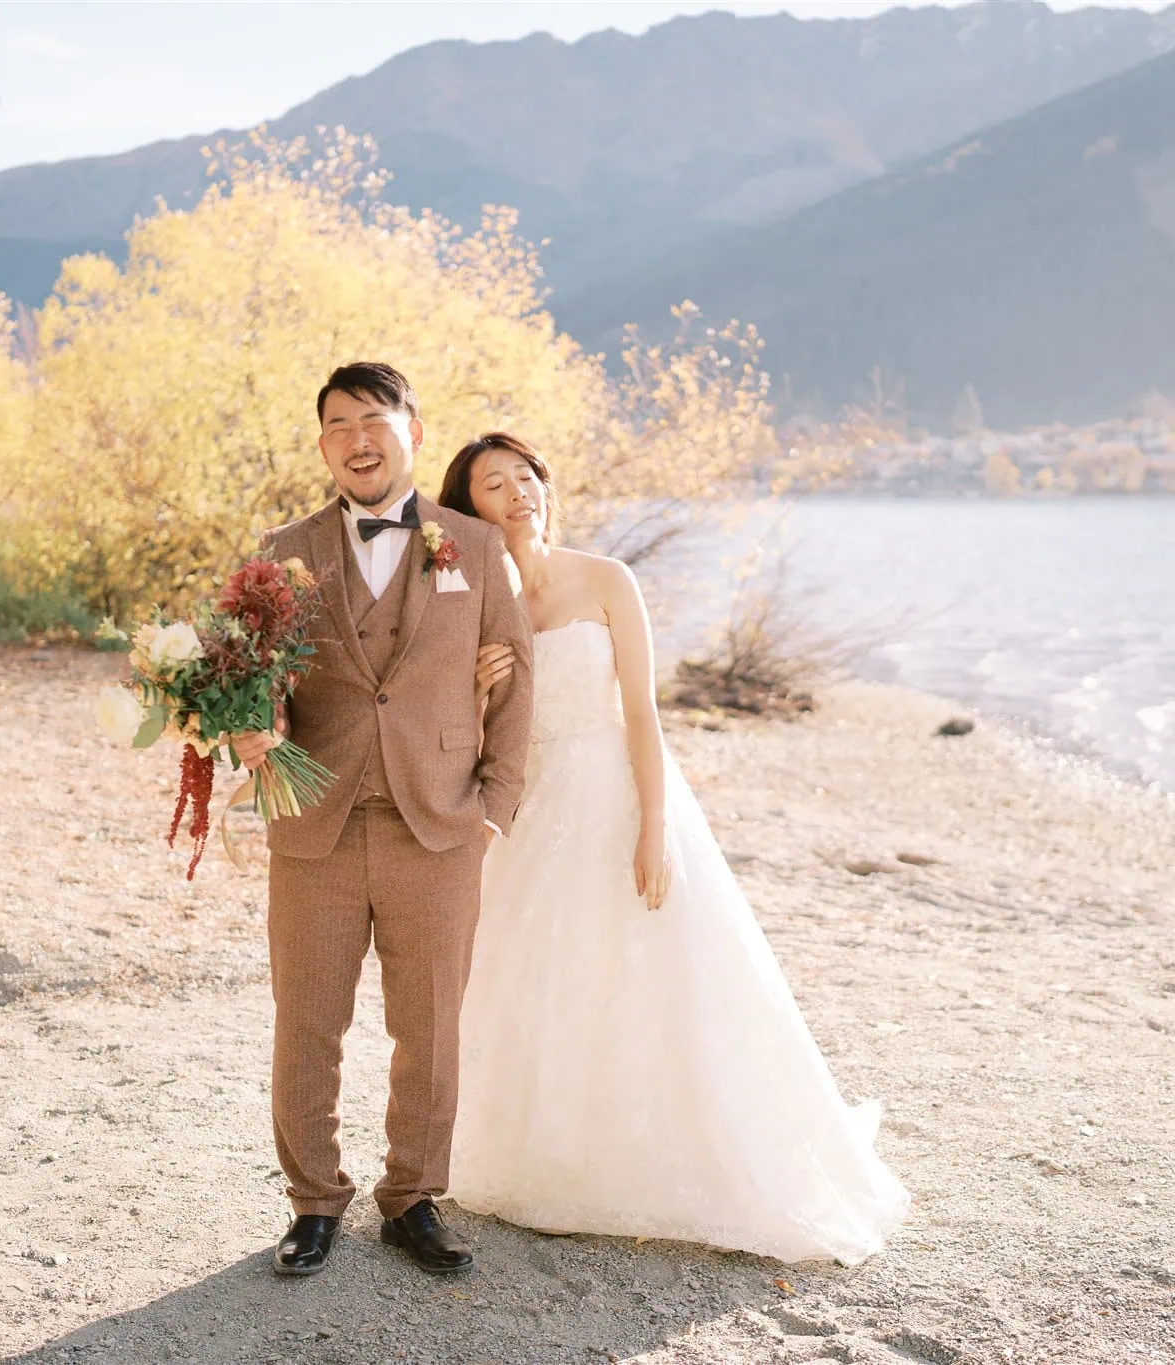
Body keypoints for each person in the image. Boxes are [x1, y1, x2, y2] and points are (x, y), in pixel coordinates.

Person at [440, 432, 910, 1264]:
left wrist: (654, 826)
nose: (518, 493)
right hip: (535, 808)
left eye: (526, 476)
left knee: (654, 970)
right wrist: (477, 691)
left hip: (616, 791)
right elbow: (477, 741)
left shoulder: (606, 579)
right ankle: (554, 1162)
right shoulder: (476, 600)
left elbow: (641, 713)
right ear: (468, 507)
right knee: (546, 977)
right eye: (494, 484)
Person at [233, 367, 534, 1277]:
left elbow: (516, 680)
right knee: (306, 1022)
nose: (358, 438)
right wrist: (250, 725)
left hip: (438, 824)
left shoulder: (475, 546)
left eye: (374, 419)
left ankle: (412, 1196)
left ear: (411, 429)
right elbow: (254, 676)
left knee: (430, 1026)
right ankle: (314, 1200)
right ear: (323, 445)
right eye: (338, 425)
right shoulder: (282, 550)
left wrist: (495, 809)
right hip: (314, 824)